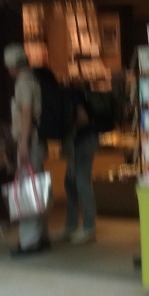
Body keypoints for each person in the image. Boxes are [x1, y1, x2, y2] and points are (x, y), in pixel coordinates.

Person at [4, 44, 49, 257]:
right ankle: (42, 236)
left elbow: (26, 113)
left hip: (30, 143)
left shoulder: (23, 83)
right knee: (36, 187)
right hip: (37, 141)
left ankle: (30, 241)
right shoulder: (33, 80)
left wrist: (22, 142)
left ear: (13, 65)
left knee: (27, 190)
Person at [60, 94, 98, 245]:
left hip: (83, 141)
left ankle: (88, 227)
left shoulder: (73, 96)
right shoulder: (71, 95)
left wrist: (66, 125)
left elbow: (83, 119)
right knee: (70, 182)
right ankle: (72, 224)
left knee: (82, 182)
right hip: (80, 141)